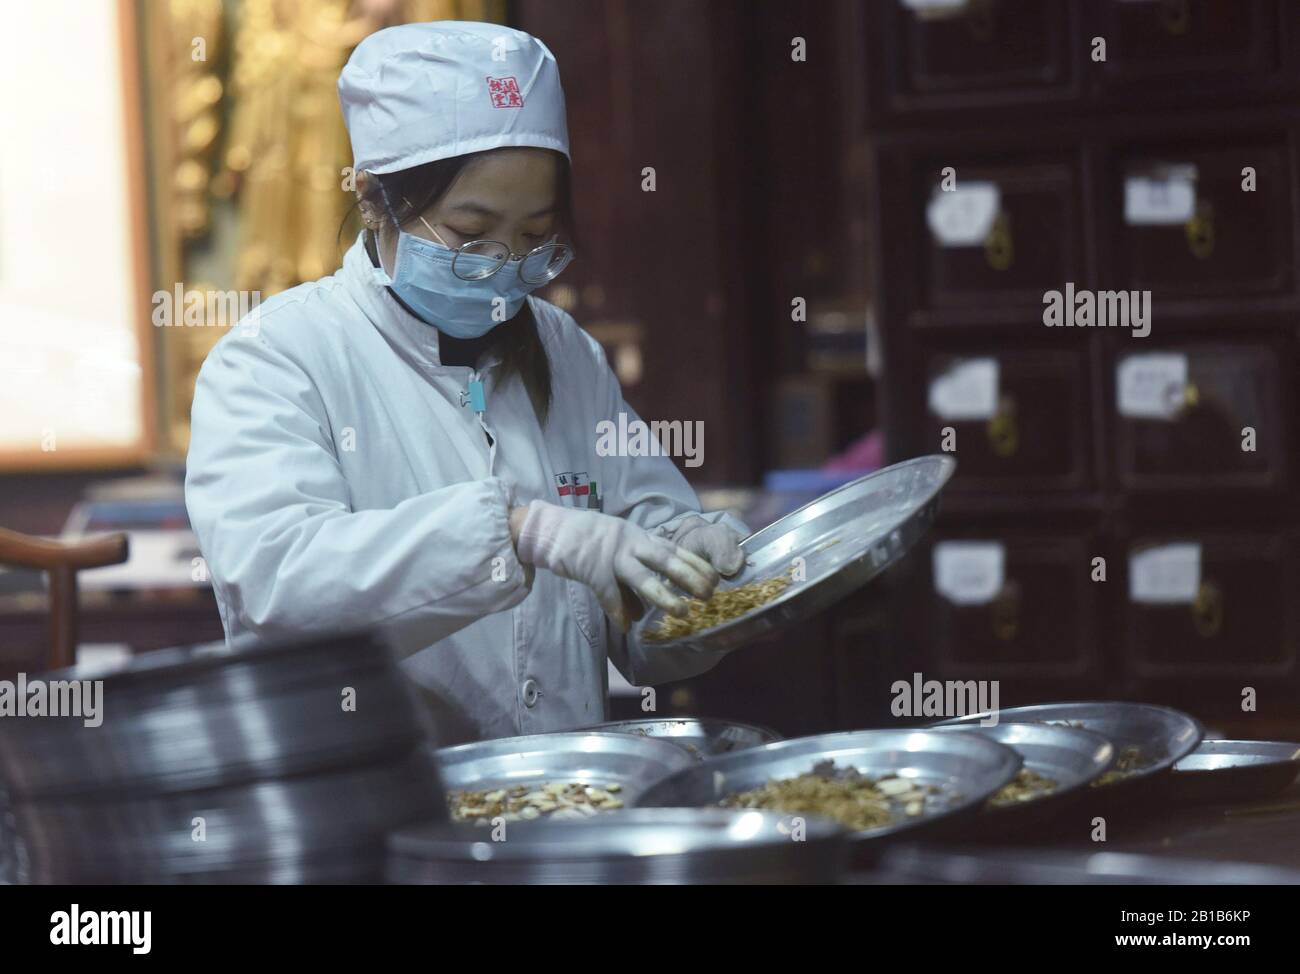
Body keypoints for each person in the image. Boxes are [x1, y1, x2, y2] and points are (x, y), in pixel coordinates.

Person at [185, 21, 748, 743]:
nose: (503, 264)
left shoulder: (563, 352)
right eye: (469, 232)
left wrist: (691, 575)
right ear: (371, 198)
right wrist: (518, 532)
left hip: (560, 800)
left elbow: (642, 613)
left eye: (533, 234)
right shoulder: (277, 358)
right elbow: (277, 592)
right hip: (385, 815)